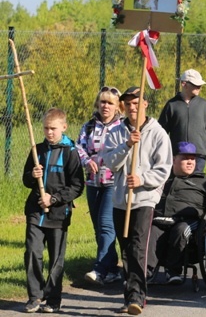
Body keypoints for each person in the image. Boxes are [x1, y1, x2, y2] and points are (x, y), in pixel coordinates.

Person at [103, 86, 172, 315]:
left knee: (137, 246)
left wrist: (142, 179)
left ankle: (137, 296)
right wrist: (127, 145)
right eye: (128, 104)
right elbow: (110, 162)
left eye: (136, 103)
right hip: (121, 199)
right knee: (125, 248)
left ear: (144, 104)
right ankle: (129, 294)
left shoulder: (158, 133)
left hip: (144, 199)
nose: (132, 108)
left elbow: (163, 169)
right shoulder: (116, 132)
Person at [23, 108, 84, 313]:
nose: (49, 132)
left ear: (64, 128)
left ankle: (53, 298)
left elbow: (77, 186)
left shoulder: (70, 152)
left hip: (58, 213)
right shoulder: (36, 149)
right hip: (35, 211)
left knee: (56, 257)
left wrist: (55, 198)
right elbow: (26, 180)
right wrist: (33, 174)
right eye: (46, 128)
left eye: (53, 129)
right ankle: (35, 296)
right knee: (33, 251)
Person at [147, 141, 206, 284]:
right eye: (185, 158)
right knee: (149, 231)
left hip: (188, 222)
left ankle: (173, 271)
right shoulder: (162, 178)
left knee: (181, 230)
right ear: (173, 159)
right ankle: (146, 272)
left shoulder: (204, 183)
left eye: (193, 159)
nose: (190, 162)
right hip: (160, 219)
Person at [77, 86, 124, 286]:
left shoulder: (123, 127)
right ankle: (112, 268)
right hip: (93, 182)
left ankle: (100, 269)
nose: (105, 106)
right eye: (103, 102)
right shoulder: (88, 126)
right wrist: (87, 161)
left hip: (113, 182)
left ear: (117, 107)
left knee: (106, 225)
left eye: (110, 103)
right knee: (98, 227)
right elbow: (78, 147)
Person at [159, 69, 206, 173]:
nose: (199, 88)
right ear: (184, 84)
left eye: (200, 85)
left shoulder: (204, 105)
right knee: (177, 184)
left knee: (195, 183)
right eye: (195, 85)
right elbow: (160, 132)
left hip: (199, 155)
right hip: (178, 155)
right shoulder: (172, 105)